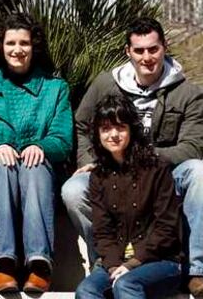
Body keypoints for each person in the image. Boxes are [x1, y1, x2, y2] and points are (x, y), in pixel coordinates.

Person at [61, 17, 203, 296]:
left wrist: (141, 159)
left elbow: (193, 145)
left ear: (164, 48)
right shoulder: (106, 84)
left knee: (199, 172)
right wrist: (91, 160)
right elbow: (82, 124)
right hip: (112, 171)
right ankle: (104, 263)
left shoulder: (187, 92)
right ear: (128, 51)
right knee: (73, 190)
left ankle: (197, 269)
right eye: (139, 50)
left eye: (153, 49)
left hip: (164, 172)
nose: (147, 57)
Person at [0, 13, 73, 293]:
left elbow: (62, 140)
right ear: (1, 46)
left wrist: (42, 146)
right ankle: (4, 264)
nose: (17, 49)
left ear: (34, 47)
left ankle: (38, 264)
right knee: (2, 165)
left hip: (38, 175)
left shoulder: (55, 89)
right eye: (11, 42)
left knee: (34, 164)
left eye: (24, 42)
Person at [75, 95, 182, 299]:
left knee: (126, 285)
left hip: (160, 261)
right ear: (97, 134)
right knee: (86, 290)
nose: (113, 135)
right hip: (116, 260)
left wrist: (132, 264)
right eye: (106, 129)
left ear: (131, 129)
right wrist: (116, 264)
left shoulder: (156, 167)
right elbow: (102, 231)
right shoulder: (99, 176)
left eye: (120, 127)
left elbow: (167, 227)